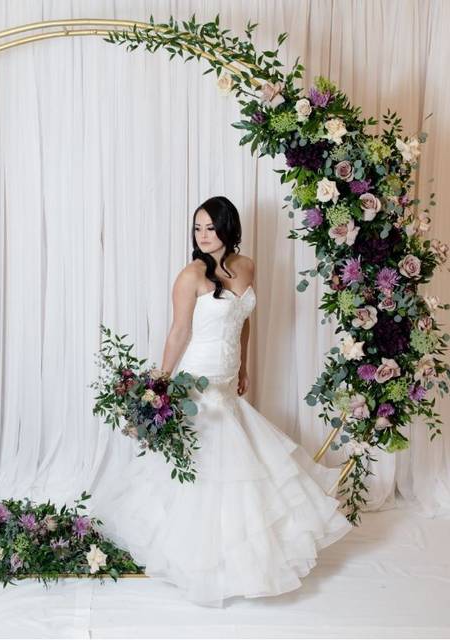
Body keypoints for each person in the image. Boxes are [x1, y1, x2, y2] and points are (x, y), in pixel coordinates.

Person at [91, 196, 353, 607]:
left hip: (228, 378)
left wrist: (244, 365)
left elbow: (243, 321)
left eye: (210, 227)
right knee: (206, 464)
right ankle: (198, 558)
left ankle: (236, 553)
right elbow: (179, 332)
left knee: (238, 464)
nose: (203, 235)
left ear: (228, 228)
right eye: (197, 228)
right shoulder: (190, 276)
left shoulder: (247, 266)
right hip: (197, 379)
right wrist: (160, 383)